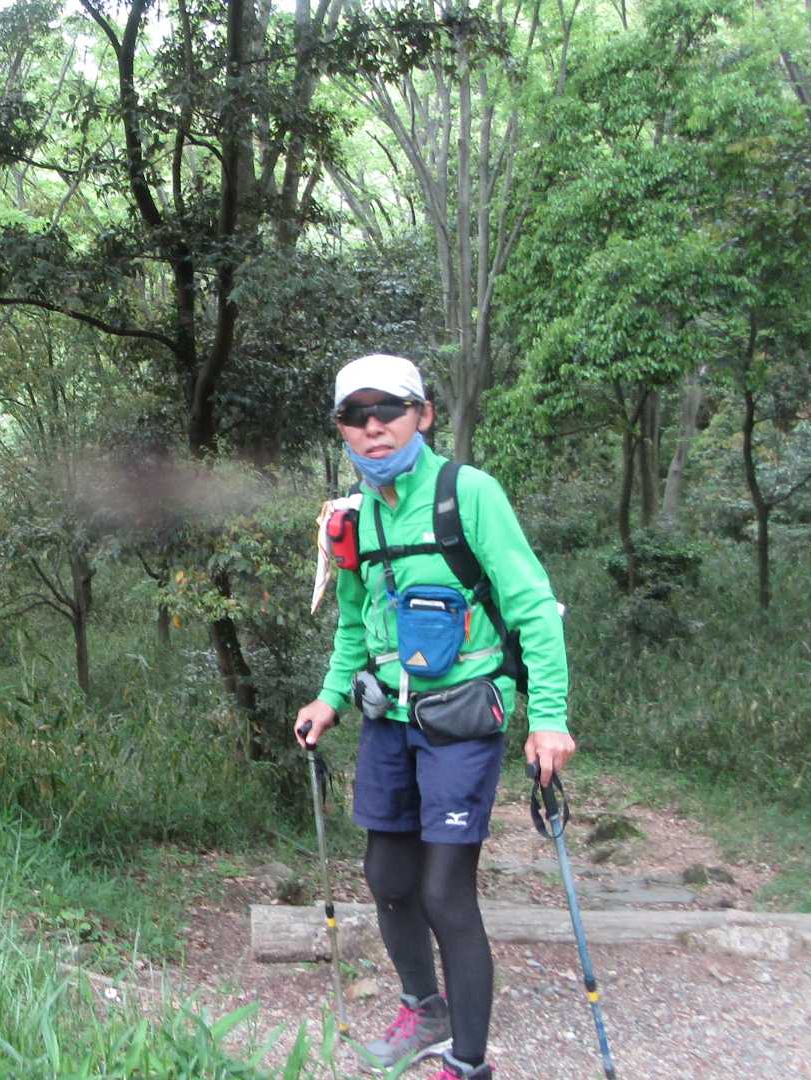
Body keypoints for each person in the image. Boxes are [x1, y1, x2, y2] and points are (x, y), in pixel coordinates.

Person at [295, 354, 574, 1080]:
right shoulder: (350, 519)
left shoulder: (467, 494)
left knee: (445, 891)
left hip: (463, 719)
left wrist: (548, 716)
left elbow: (533, 607)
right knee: (388, 876)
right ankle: (425, 1008)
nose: (374, 426)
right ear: (341, 429)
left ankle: (468, 1061)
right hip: (388, 718)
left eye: (389, 409)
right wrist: (328, 698)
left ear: (422, 414)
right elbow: (353, 626)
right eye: (356, 415)